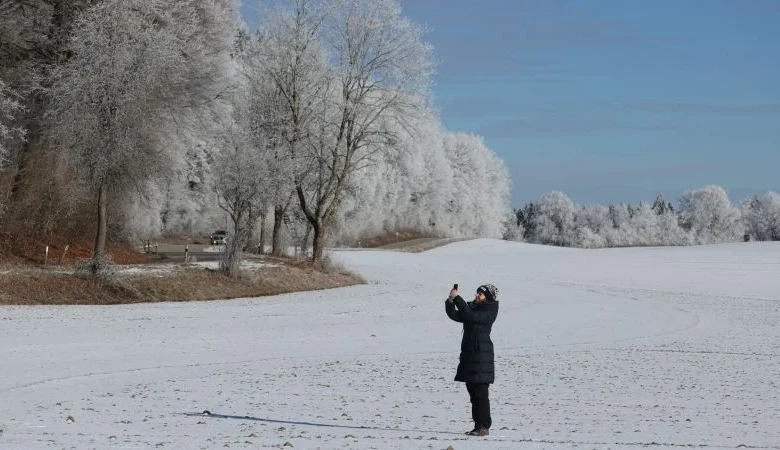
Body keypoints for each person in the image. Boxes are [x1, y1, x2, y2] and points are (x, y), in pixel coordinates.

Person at [445, 283, 499, 437]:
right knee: (473, 395)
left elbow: (470, 316)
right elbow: (455, 315)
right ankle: (477, 426)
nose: (477, 296)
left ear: (487, 298)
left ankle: (484, 426)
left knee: (481, 395)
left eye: (480, 294)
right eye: (476, 293)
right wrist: (450, 301)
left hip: (482, 358)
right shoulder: (473, 308)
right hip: (470, 357)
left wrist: (458, 299)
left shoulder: (489, 311)